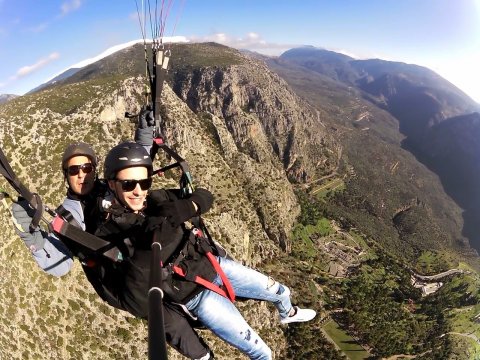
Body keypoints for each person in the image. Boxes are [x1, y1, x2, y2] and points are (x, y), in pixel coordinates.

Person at [96, 141, 317, 360]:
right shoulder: (110, 234)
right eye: (128, 185)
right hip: (196, 295)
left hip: (213, 263)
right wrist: (144, 248)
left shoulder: (156, 200)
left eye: (144, 182)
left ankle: (287, 313)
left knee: (281, 292)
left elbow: (205, 195)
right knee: (263, 353)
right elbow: (133, 297)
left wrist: (187, 206)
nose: (138, 191)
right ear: (112, 184)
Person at [11, 142, 213, 360]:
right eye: (74, 170)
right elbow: (60, 264)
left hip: (141, 261)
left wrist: (145, 136)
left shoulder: (108, 187)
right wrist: (32, 237)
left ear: (96, 170)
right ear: (65, 175)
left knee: (184, 299)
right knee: (169, 323)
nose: (82, 175)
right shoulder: (70, 214)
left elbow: (130, 167)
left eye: (87, 168)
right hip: (120, 281)